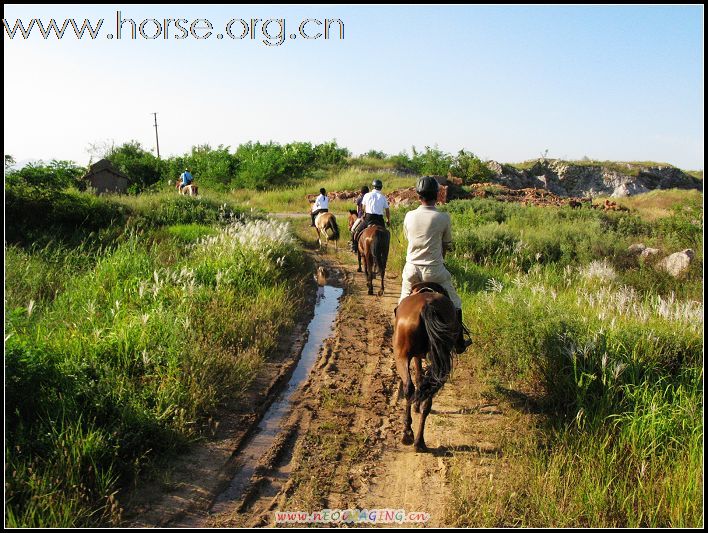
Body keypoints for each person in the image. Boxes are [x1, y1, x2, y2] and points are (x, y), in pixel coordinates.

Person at [398, 176, 472, 353]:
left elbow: (409, 239)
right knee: (456, 303)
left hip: (411, 271)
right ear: (437, 196)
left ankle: (398, 335)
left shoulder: (409, 216)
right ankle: (459, 342)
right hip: (435, 272)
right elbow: (446, 245)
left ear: (418, 195)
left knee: (401, 304)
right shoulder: (443, 217)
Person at [352, 179, 390, 251]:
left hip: (369, 218)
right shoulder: (383, 197)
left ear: (373, 186)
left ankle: (355, 246)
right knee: (386, 234)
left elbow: (363, 207)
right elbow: (387, 210)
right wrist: (388, 220)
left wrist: (363, 214)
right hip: (379, 219)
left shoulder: (367, 195)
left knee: (356, 231)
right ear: (381, 187)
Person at [349, 185, 369, 251]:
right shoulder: (370, 198)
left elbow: (357, 210)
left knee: (353, 229)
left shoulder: (359, 199)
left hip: (361, 217)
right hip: (370, 217)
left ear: (361, 192)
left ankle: (353, 246)